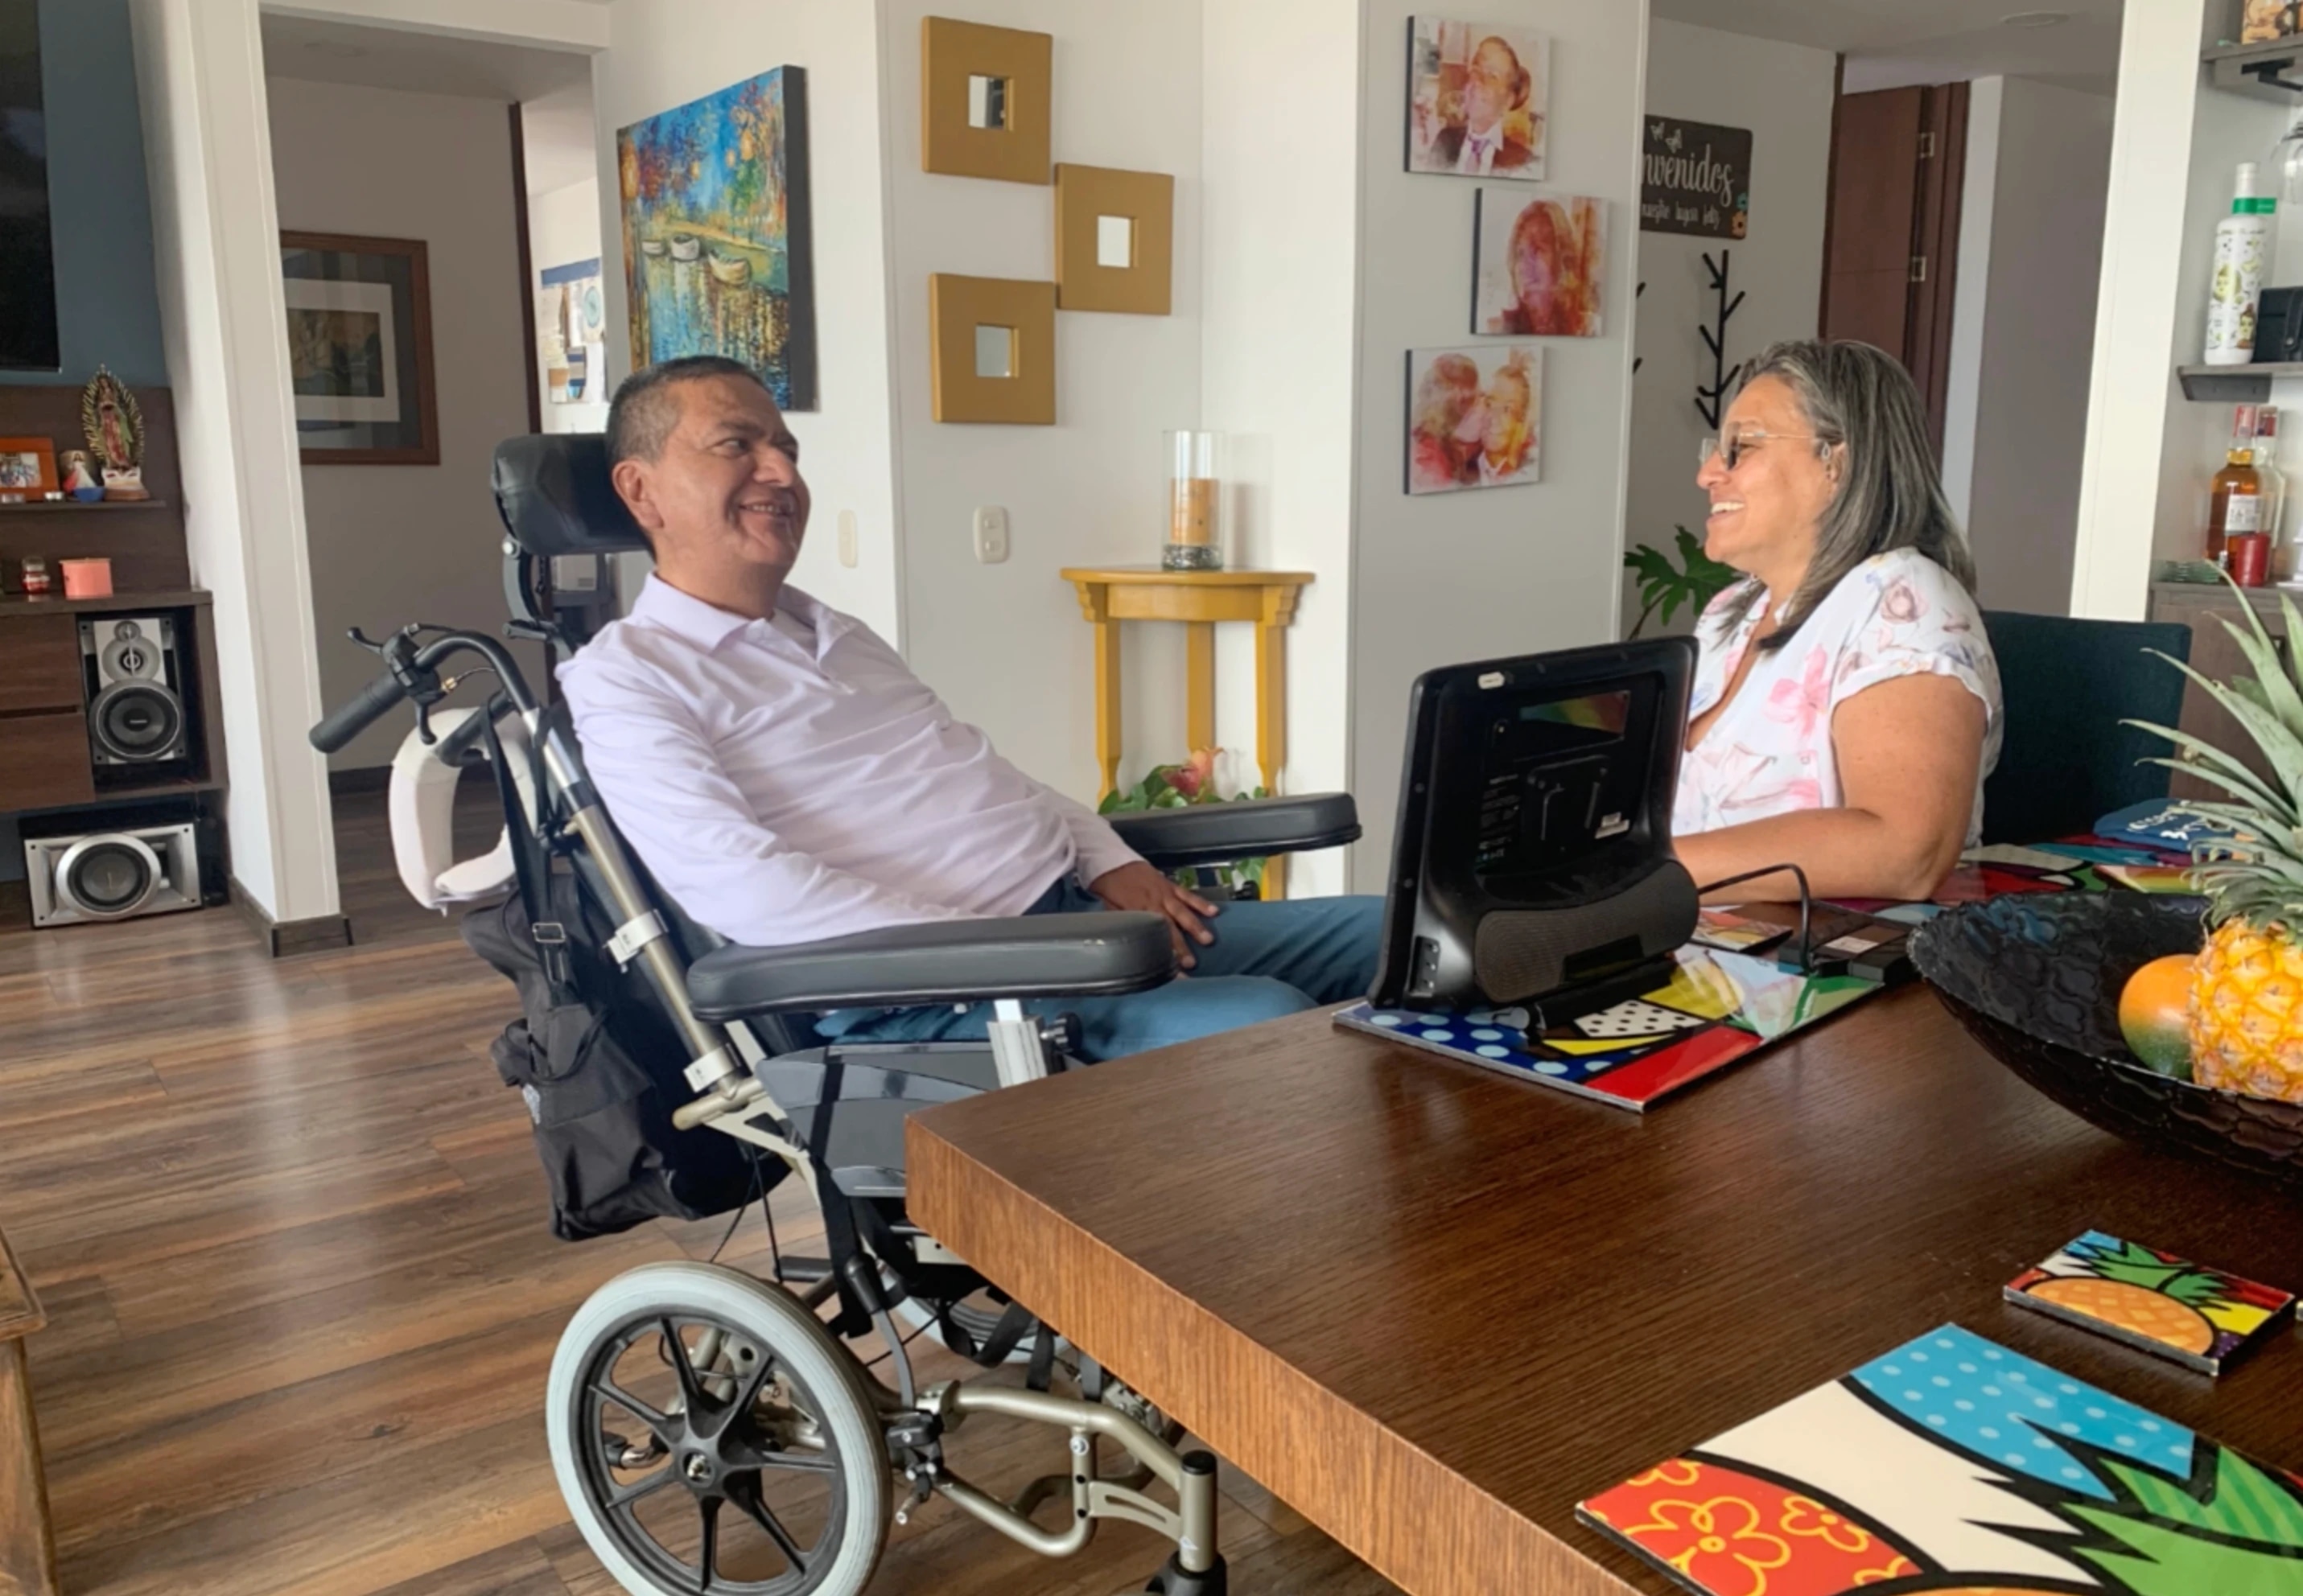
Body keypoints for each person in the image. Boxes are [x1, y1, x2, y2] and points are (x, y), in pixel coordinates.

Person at [558, 356, 1382, 1061]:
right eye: (738, 444)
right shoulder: (629, 681)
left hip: (1071, 924)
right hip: (941, 992)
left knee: (1416, 938)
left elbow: (987, 778)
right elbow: (749, 891)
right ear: (641, 490)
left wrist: (1109, 858)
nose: (780, 472)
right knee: (1270, 1025)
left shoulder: (832, 631)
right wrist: (1014, 947)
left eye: (786, 448)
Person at [1671, 340, 2001, 904]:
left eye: (1740, 447)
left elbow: (1906, 850)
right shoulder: (1731, 612)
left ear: (1837, 463)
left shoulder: (1905, 602)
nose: (1707, 474)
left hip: (1823, 970)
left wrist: (1634, 880)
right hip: (1696, 948)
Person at [1430, 35, 1539, 176]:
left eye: (1492, 76)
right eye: (1476, 70)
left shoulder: (1523, 162)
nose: (1478, 81)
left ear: (1508, 100)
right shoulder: (1444, 141)